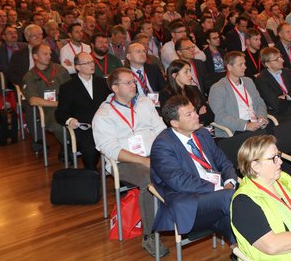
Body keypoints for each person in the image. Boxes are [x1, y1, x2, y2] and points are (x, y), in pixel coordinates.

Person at [92, 68, 168, 257]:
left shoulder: (144, 103)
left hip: (153, 154)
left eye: (133, 81)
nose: (134, 85)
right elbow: (111, 150)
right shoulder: (103, 115)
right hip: (124, 162)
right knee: (149, 180)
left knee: (184, 165)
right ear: (115, 88)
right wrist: (143, 160)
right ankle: (149, 235)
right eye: (128, 83)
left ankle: (179, 218)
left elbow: (160, 128)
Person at [150, 96, 236, 244]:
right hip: (191, 204)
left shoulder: (202, 133)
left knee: (238, 224)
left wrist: (229, 181)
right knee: (235, 198)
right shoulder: (162, 145)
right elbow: (180, 181)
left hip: (219, 198)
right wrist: (219, 188)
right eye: (189, 114)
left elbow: (223, 161)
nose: (197, 116)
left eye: (194, 111)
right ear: (174, 123)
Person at [56, 52, 111, 170]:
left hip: (105, 126)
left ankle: (122, 180)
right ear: (77, 67)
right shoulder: (68, 87)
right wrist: (70, 120)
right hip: (85, 128)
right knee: (91, 150)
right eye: (87, 63)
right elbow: (60, 113)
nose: (92, 65)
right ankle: (92, 176)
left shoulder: (102, 83)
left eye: (92, 62)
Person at [208, 51, 270, 138]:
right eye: (240, 64)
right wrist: (245, 125)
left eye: (244, 64)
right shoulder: (218, 88)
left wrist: (262, 117)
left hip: (256, 123)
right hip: (236, 129)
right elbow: (220, 117)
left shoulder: (248, 81)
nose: (245, 67)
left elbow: (259, 103)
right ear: (229, 67)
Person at [22, 43, 72, 149]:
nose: (49, 56)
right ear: (35, 56)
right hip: (49, 111)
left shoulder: (59, 69)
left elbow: (71, 89)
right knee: (59, 126)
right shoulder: (29, 76)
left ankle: (79, 145)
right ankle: (70, 146)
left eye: (49, 53)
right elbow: (33, 100)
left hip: (68, 106)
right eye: (45, 54)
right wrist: (57, 104)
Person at [160, 59, 213, 125]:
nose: (190, 75)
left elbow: (210, 115)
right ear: (174, 75)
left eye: (190, 71)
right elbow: (171, 121)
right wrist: (198, 115)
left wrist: (191, 117)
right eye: (186, 72)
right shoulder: (166, 94)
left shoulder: (194, 89)